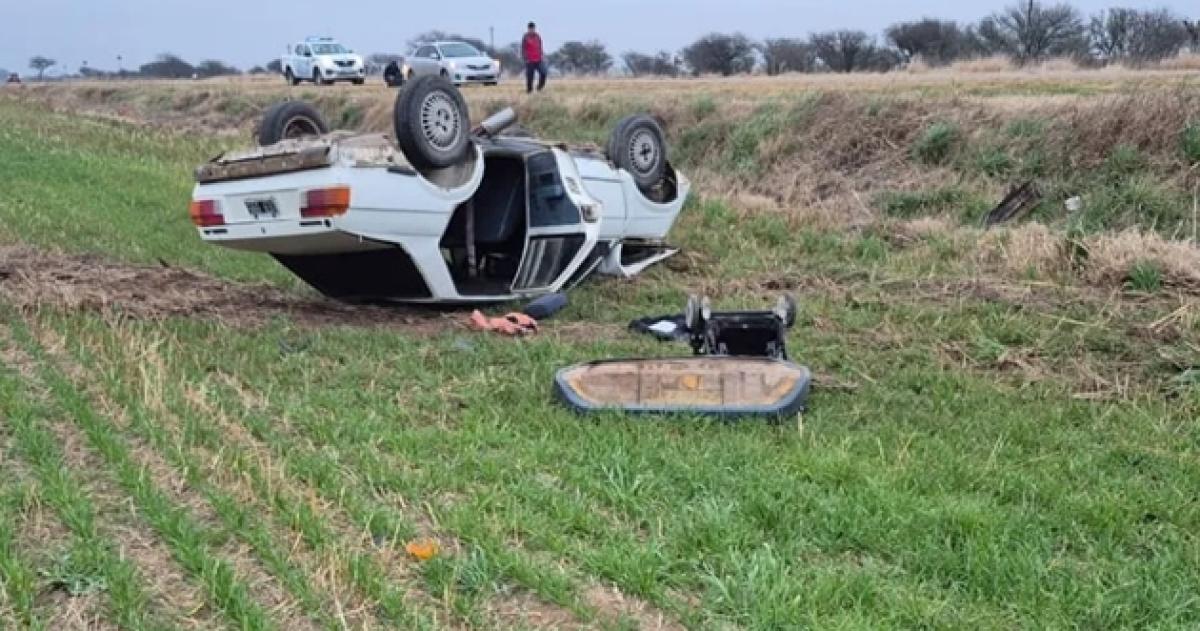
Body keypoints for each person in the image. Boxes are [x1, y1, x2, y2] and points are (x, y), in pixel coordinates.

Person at [522, 22, 547, 93]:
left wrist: (542, 55)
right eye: (530, 29)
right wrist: (525, 58)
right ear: (528, 29)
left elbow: (540, 46)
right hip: (529, 60)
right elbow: (523, 48)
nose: (532, 30)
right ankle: (529, 91)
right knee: (530, 77)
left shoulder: (537, 36)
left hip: (539, 59)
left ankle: (539, 87)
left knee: (543, 73)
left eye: (533, 28)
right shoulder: (525, 37)